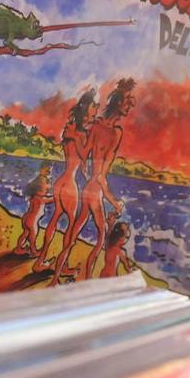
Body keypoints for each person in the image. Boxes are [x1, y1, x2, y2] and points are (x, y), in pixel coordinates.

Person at [66, 78, 134, 281]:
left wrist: (74, 138)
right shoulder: (115, 133)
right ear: (118, 102)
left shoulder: (95, 126)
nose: (130, 105)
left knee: (74, 231)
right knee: (100, 241)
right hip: (95, 190)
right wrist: (114, 202)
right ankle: (86, 281)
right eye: (128, 101)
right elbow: (101, 175)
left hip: (88, 188)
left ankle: (59, 273)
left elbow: (84, 155)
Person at [34, 90, 95, 273]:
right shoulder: (80, 134)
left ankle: (40, 260)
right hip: (69, 183)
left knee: (55, 218)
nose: (95, 109)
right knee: (70, 225)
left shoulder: (69, 128)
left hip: (60, 181)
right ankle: (64, 266)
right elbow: (84, 156)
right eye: (93, 106)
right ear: (86, 109)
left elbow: (73, 154)